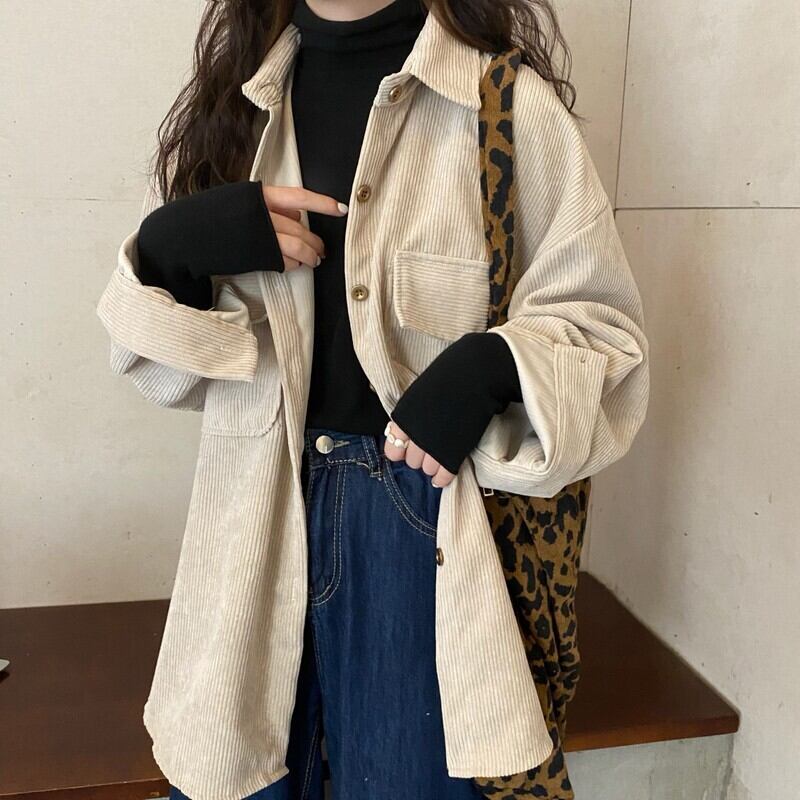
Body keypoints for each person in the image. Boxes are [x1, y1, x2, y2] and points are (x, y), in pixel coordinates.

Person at [95, 0, 649, 798]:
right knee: (232, 773)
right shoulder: (239, 108)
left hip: (420, 528)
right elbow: (163, 369)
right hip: (254, 520)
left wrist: (491, 365)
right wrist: (165, 253)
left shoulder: (503, 106)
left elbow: (606, 337)